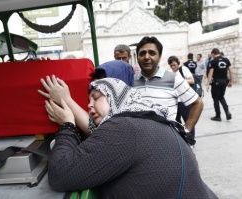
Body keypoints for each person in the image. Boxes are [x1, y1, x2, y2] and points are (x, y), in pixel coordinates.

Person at [45, 78, 217, 198]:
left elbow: (61, 174)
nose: (89, 104)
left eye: (96, 97)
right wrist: (66, 100)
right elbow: (94, 131)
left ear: (116, 97)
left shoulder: (124, 127)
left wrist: (67, 125)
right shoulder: (146, 120)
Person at [38, 60, 136, 134]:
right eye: (89, 99)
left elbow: (97, 132)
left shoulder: (130, 124)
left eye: (97, 97)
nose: (89, 105)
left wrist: (66, 101)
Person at [134, 36, 203, 137]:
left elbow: (198, 103)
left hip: (166, 142)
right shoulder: (131, 80)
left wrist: (186, 131)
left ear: (159, 57)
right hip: (138, 142)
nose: (146, 57)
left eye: (152, 53)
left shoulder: (174, 79)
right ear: (137, 57)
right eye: (142, 53)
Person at [168, 56, 196, 139]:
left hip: (184, 100)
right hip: (175, 101)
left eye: (174, 65)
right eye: (171, 65)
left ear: (178, 64)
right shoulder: (169, 72)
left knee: (188, 120)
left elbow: (192, 80)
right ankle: (181, 138)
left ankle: (191, 139)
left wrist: (180, 82)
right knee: (176, 120)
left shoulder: (183, 69)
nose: (173, 67)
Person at [206, 48, 233, 121]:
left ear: (213, 54)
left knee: (215, 99)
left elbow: (210, 73)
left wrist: (207, 84)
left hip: (216, 83)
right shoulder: (226, 60)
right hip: (224, 82)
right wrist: (231, 81)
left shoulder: (213, 61)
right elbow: (231, 71)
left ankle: (218, 116)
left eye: (212, 55)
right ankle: (227, 112)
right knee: (221, 97)